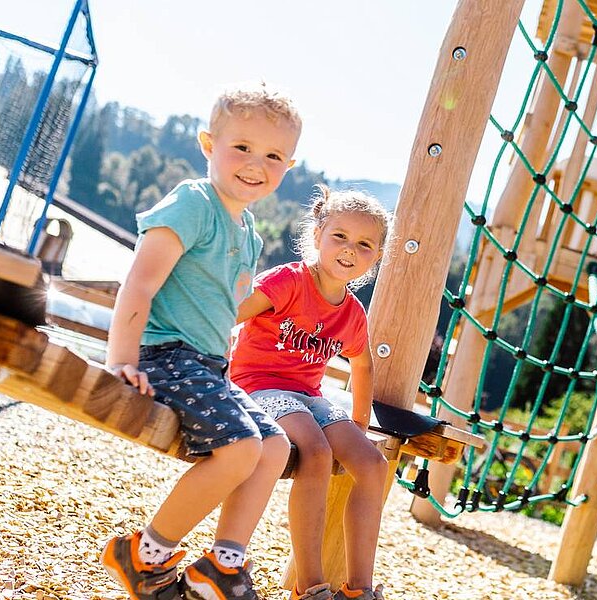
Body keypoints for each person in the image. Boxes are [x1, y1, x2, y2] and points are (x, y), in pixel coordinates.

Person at [100, 82, 303, 600]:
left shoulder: (249, 230)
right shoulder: (194, 202)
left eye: (274, 155)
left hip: (207, 367)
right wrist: (121, 359)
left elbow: (220, 309)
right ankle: (143, 555)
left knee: (275, 446)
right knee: (240, 449)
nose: (256, 163)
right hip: (163, 355)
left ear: (289, 166)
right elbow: (140, 282)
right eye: (242, 147)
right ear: (209, 145)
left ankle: (222, 565)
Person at [230, 187, 394, 600]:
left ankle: (360, 589)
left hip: (307, 395)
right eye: (339, 236)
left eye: (363, 244)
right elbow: (232, 313)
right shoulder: (289, 281)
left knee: (373, 465)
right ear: (318, 233)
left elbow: (363, 363)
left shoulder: (353, 312)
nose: (349, 250)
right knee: (317, 452)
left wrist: (358, 422)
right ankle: (310, 586)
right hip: (258, 385)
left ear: (375, 257)